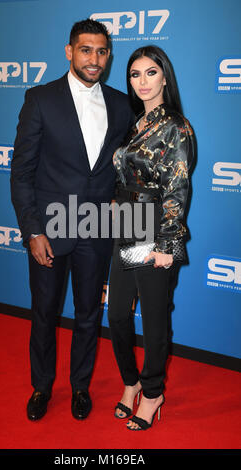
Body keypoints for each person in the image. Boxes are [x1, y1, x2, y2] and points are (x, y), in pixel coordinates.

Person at [10, 19, 134, 421]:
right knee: (44, 310)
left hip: (96, 226)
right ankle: (42, 386)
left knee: (87, 313)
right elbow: (22, 172)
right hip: (50, 226)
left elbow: (126, 169)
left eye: (101, 51)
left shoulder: (121, 104)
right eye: (85, 50)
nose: (93, 59)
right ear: (69, 52)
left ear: (108, 55)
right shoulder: (40, 99)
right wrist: (32, 229)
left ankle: (80, 385)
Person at [108, 45, 194, 430]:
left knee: (155, 319)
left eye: (150, 73)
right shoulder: (135, 123)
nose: (142, 81)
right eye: (134, 74)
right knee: (117, 313)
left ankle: (154, 392)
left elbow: (177, 191)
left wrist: (166, 246)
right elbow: (125, 174)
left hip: (154, 224)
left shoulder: (175, 126)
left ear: (164, 77)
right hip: (127, 221)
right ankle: (131, 383)